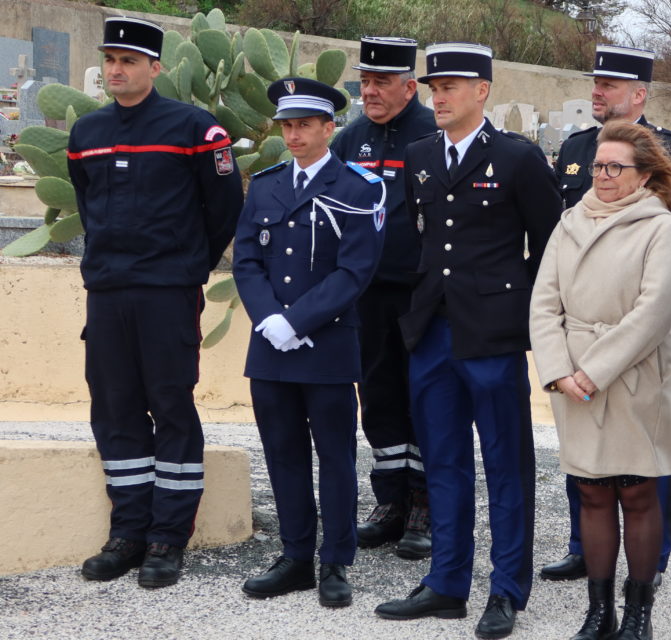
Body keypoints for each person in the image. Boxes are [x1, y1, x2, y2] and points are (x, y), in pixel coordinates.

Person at [373, 42, 562, 640]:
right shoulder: (421, 153)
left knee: (507, 465)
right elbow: (427, 236)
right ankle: (447, 584)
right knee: (444, 462)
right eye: (434, 86)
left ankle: (506, 589)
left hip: (493, 334)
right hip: (432, 331)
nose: (439, 95)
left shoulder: (517, 158)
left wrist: (511, 303)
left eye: (451, 85)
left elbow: (549, 246)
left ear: (482, 90)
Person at [69, 16, 243, 589]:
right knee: (115, 408)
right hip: (108, 292)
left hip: (168, 291)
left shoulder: (194, 127)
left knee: (170, 406)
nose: (117, 70)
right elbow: (88, 205)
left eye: (129, 61)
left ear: (155, 68)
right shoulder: (86, 133)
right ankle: (128, 533)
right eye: (110, 60)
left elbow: (222, 207)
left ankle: (168, 539)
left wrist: (189, 264)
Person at [531, 122, 671, 640]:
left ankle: (638, 614)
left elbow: (653, 314)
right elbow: (543, 302)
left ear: (643, 176)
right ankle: (598, 613)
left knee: (638, 492)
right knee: (592, 492)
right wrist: (558, 370)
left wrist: (592, 372)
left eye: (616, 166)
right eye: (600, 165)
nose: (603, 174)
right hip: (572, 379)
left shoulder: (660, 226)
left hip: (634, 376)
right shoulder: (569, 221)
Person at [234, 77, 386, 608]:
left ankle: (335, 560)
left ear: (328, 128)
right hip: (270, 346)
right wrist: (269, 318)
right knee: (282, 453)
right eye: (288, 125)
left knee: (336, 457)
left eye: (304, 125)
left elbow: (355, 271)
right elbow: (248, 259)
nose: (294, 134)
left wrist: (296, 321)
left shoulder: (358, 187)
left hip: (326, 346)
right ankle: (296, 555)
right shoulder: (268, 184)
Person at [330, 35, 439, 560]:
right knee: (377, 395)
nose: (369, 91)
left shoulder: (432, 133)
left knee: (425, 396)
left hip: (421, 295)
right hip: (366, 296)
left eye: (382, 82)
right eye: (365, 81)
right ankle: (390, 500)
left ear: (410, 86)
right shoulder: (352, 140)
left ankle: (425, 504)